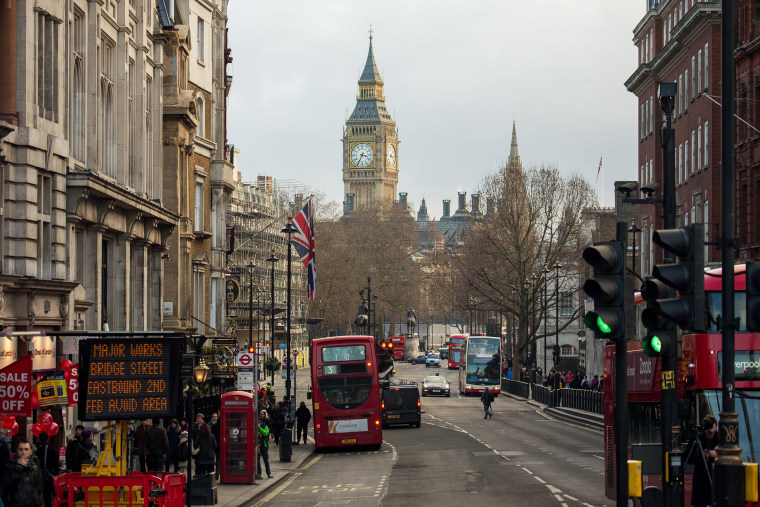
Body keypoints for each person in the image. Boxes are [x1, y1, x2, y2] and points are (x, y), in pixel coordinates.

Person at [686, 415, 720, 507]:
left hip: (716, 479)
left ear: (716, 425)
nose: (710, 432)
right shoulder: (696, 440)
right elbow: (687, 459)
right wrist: (700, 454)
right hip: (700, 481)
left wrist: (719, 455)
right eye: (708, 429)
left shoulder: (721, 440)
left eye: (712, 428)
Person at [1, 438, 44, 507]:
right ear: (17, 451)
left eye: (26, 449)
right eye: (20, 449)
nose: (23, 452)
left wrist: (40, 504)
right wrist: (18, 467)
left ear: (31, 452)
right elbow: (6, 488)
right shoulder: (9, 467)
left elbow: (40, 489)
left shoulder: (35, 468)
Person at [36, 432, 59, 507]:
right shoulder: (51, 450)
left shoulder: (35, 449)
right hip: (48, 475)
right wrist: (56, 475)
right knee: (48, 494)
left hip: (36, 474)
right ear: (47, 439)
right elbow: (56, 464)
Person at [256, 410, 272, 479]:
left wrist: (259, 428)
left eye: (259, 422)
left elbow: (265, 433)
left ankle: (269, 473)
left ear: (261, 422)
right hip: (257, 446)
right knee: (258, 461)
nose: (258, 423)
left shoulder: (265, 427)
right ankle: (259, 473)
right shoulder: (255, 427)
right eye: (257, 421)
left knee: (266, 461)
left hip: (264, 446)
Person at [209, 412, 221, 479]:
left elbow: (212, 436)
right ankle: (220, 470)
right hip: (223, 445)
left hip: (216, 445)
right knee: (221, 459)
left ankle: (217, 471)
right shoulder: (224, 426)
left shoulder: (214, 426)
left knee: (217, 459)